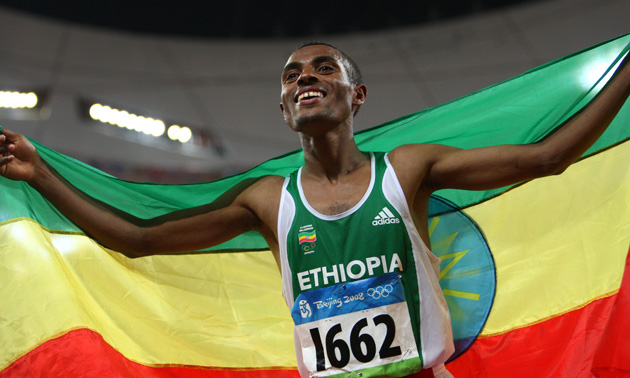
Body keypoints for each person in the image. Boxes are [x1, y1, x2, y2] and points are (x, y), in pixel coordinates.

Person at [1, 42, 629, 378]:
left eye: (323, 68)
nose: (305, 77)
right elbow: (136, 237)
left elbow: (548, 156)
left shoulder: (407, 170)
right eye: (292, 73)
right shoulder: (268, 200)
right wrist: (39, 173)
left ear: (355, 95)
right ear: (283, 110)